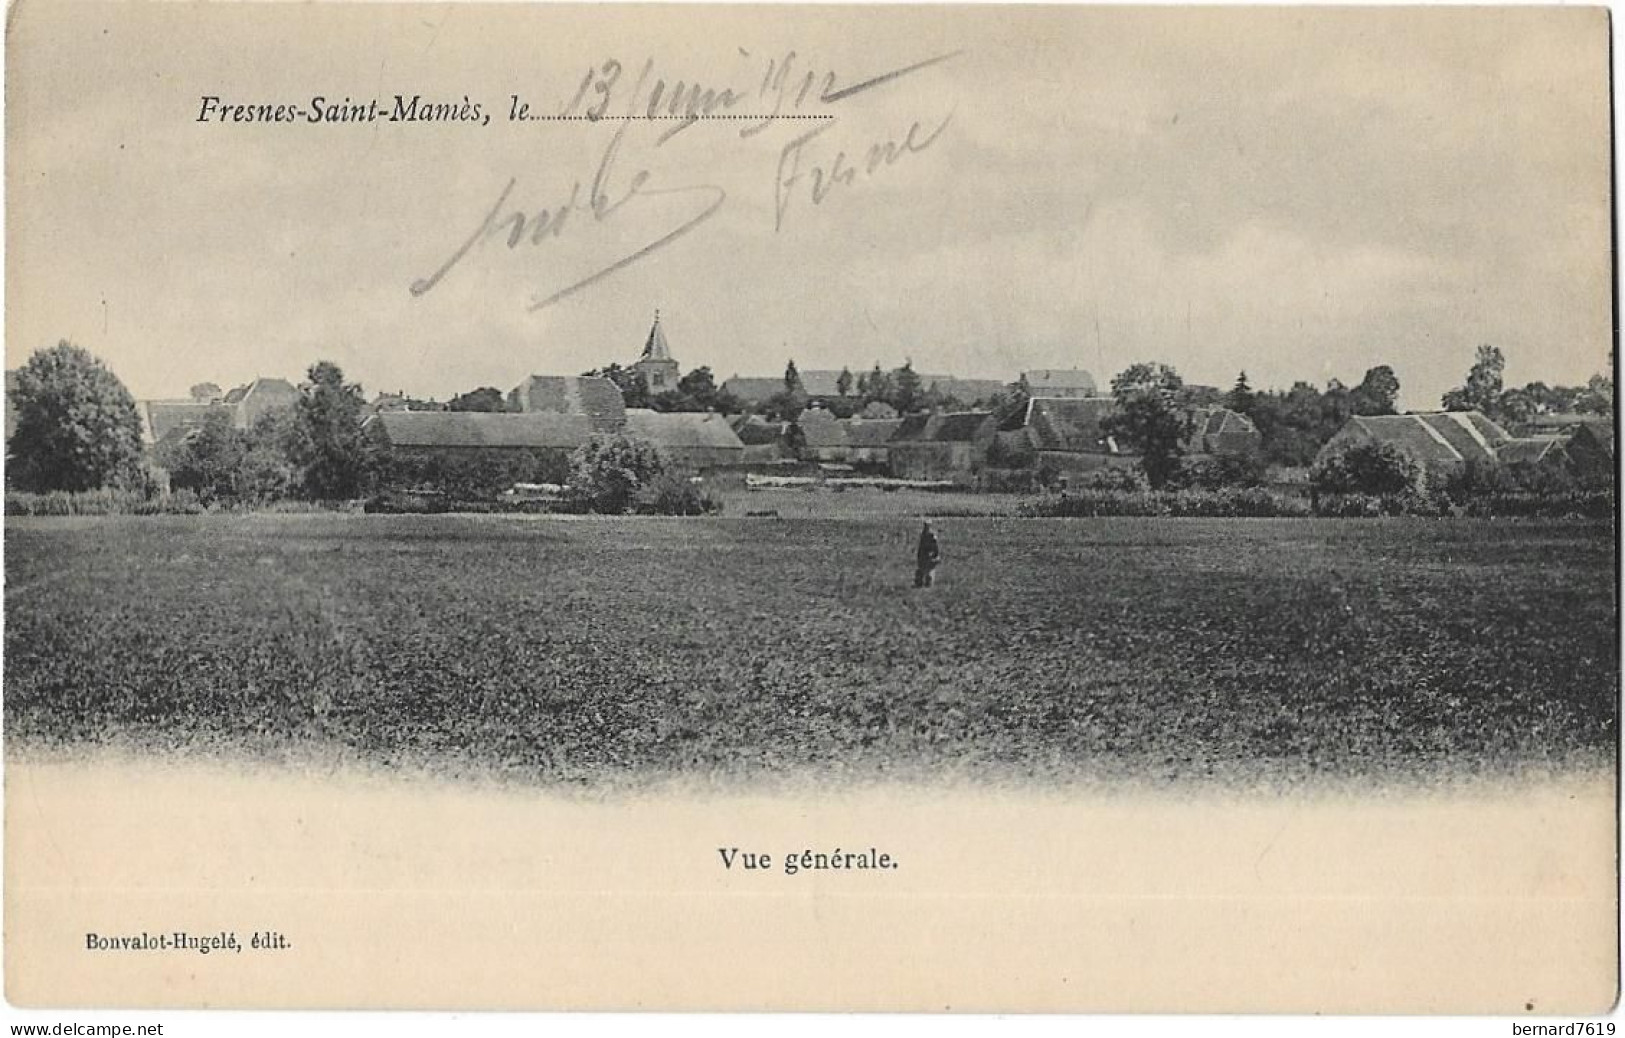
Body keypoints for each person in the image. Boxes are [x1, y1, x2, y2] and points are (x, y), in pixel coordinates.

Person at [914, 520, 941, 588]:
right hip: (923, 555)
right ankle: (919, 584)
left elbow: (935, 546)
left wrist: (936, 555)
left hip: (930, 555)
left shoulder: (932, 535)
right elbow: (921, 546)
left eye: (927, 525)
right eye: (925, 525)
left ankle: (928, 584)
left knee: (929, 572)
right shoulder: (923, 534)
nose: (926, 527)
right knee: (921, 570)